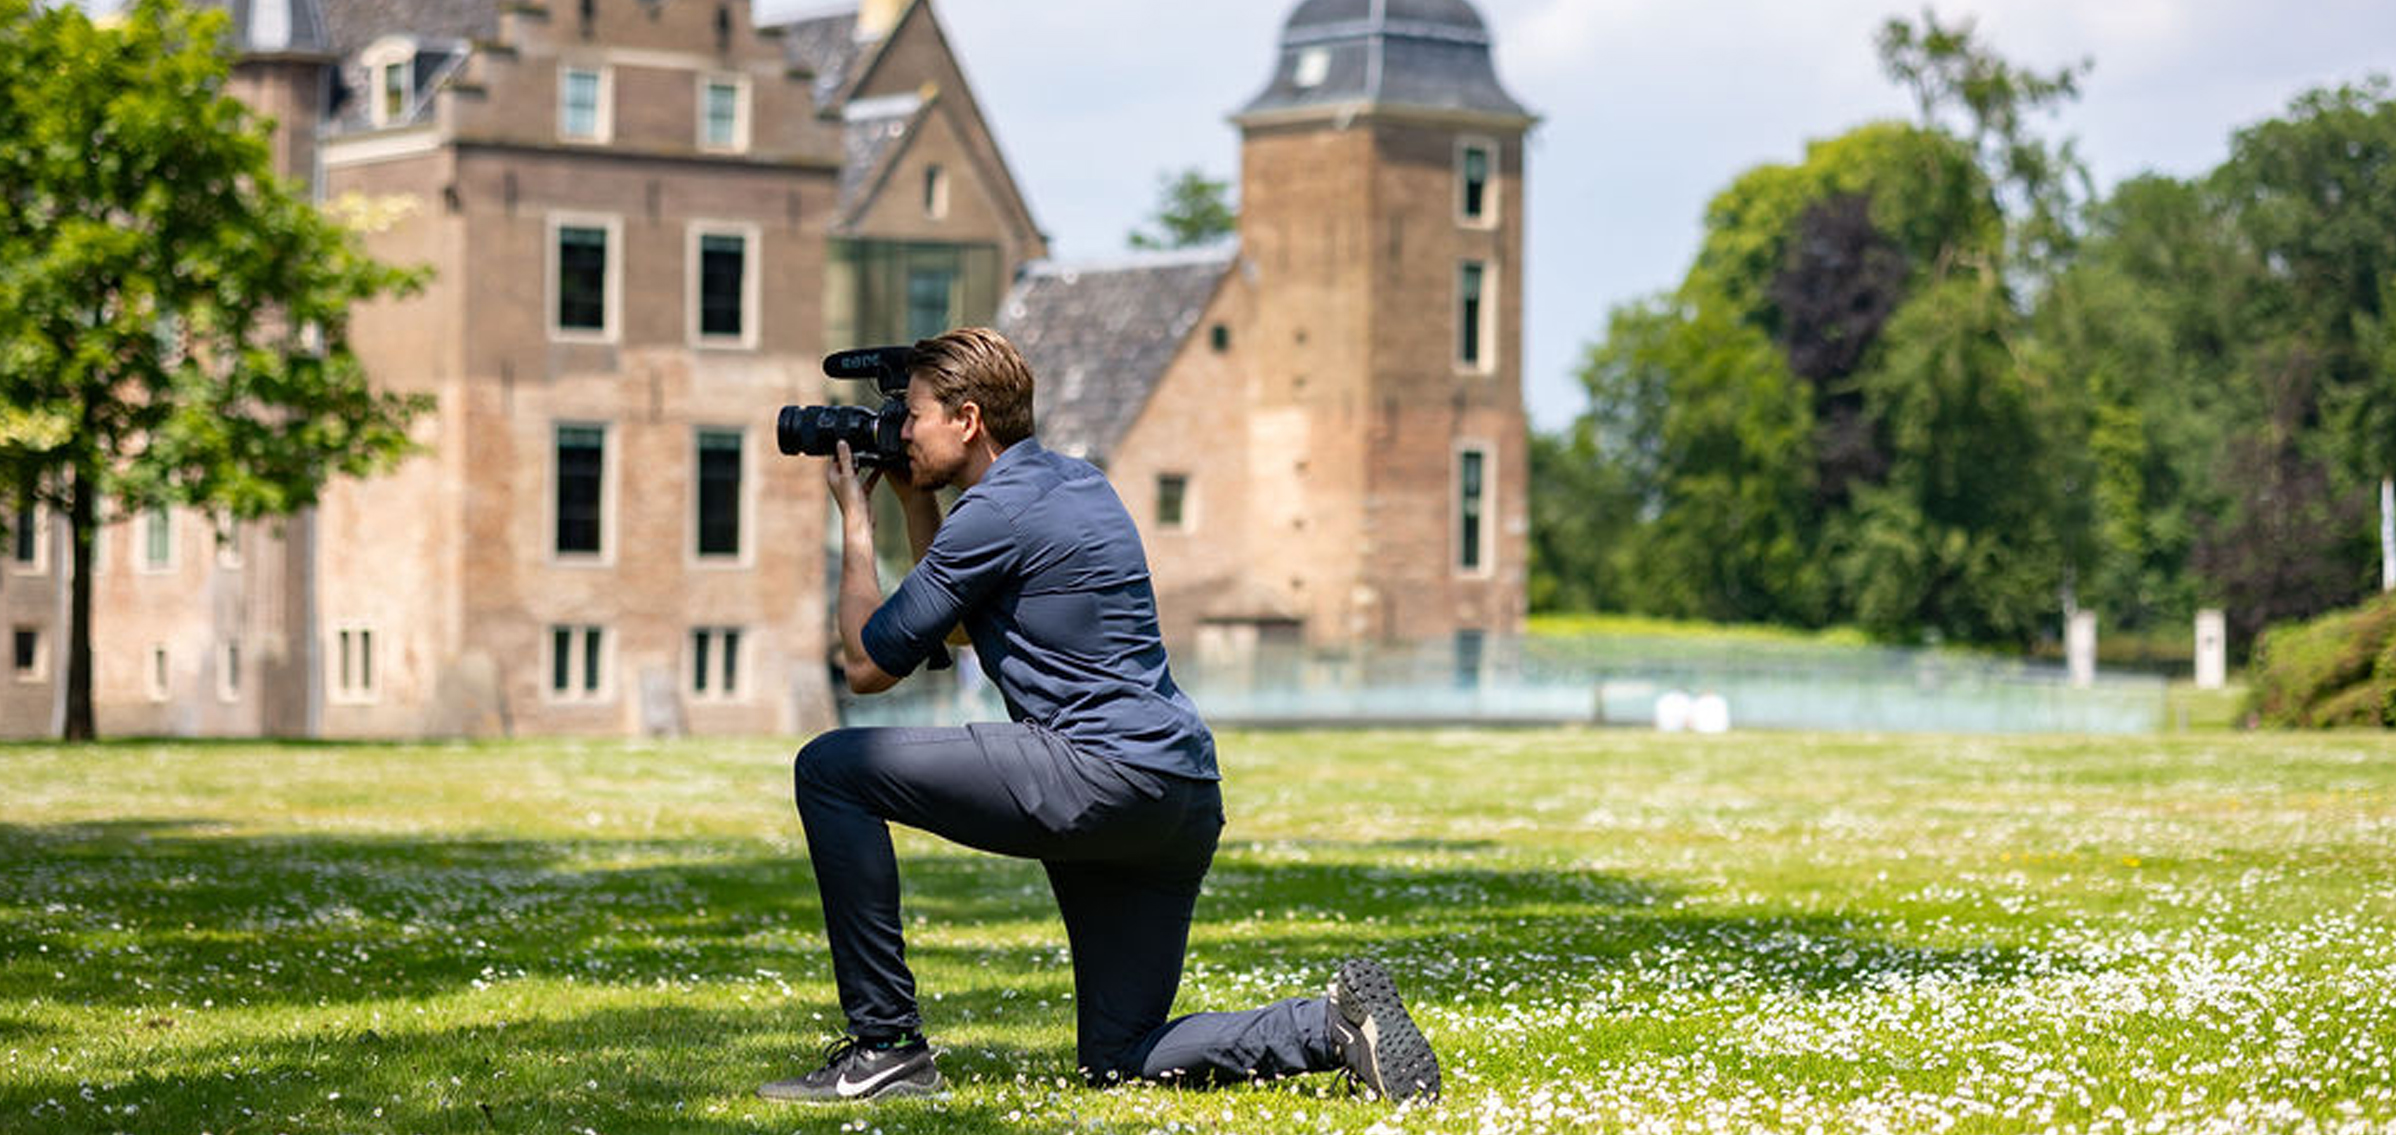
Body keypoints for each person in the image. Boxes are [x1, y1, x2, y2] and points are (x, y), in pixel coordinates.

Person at [758, 327, 1439, 1105]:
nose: (897, 433)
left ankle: (884, 1048)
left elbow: (867, 664)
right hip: (1179, 793)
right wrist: (919, 500)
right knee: (1122, 1055)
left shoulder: (994, 515)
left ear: (969, 419)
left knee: (832, 769)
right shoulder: (1079, 484)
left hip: (1093, 774)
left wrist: (854, 519)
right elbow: (954, 622)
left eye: (911, 417)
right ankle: (1329, 1027)